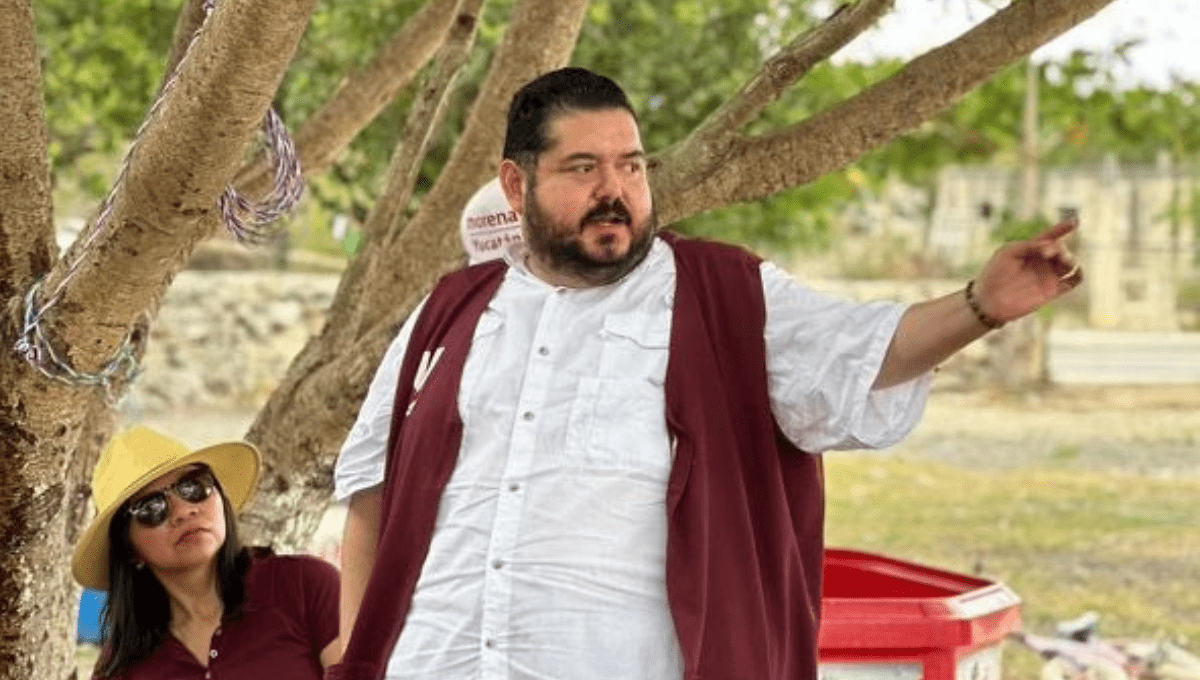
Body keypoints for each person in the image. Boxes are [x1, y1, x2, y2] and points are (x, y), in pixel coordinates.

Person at [329, 67, 1084, 680]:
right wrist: (353, 653)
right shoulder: (451, 310)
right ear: (517, 185)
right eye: (583, 168)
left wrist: (979, 306)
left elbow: (860, 349)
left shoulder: (724, 297)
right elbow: (371, 490)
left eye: (630, 166)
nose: (614, 190)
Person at [72, 426, 341, 679]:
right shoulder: (121, 668)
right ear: (130, 550)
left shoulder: (305, 586)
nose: (183, 510)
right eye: (151, 508)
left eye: (193, 486)